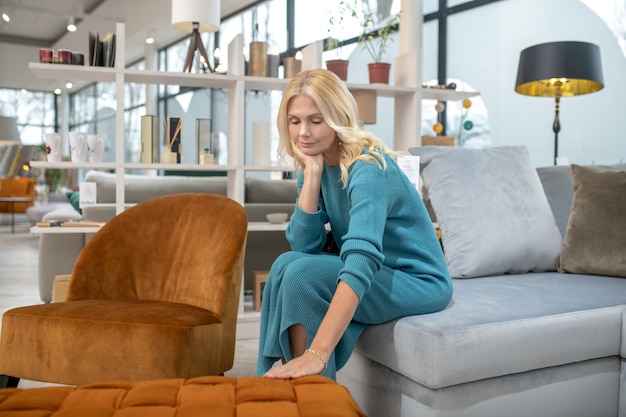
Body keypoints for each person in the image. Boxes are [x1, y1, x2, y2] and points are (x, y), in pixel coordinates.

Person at [257, 69, 453, 380]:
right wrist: (311, 176)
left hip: (417, 281)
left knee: (301, 274)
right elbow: (304, 247)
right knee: (285, 264)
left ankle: (311, 381)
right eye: (295, 121)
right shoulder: (316, 163)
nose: (303, 132)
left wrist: (317, 353)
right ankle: (295, 387)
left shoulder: (368, 169)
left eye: (316, 120)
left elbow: (362, 259)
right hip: (382, 272)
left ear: (338, 118)